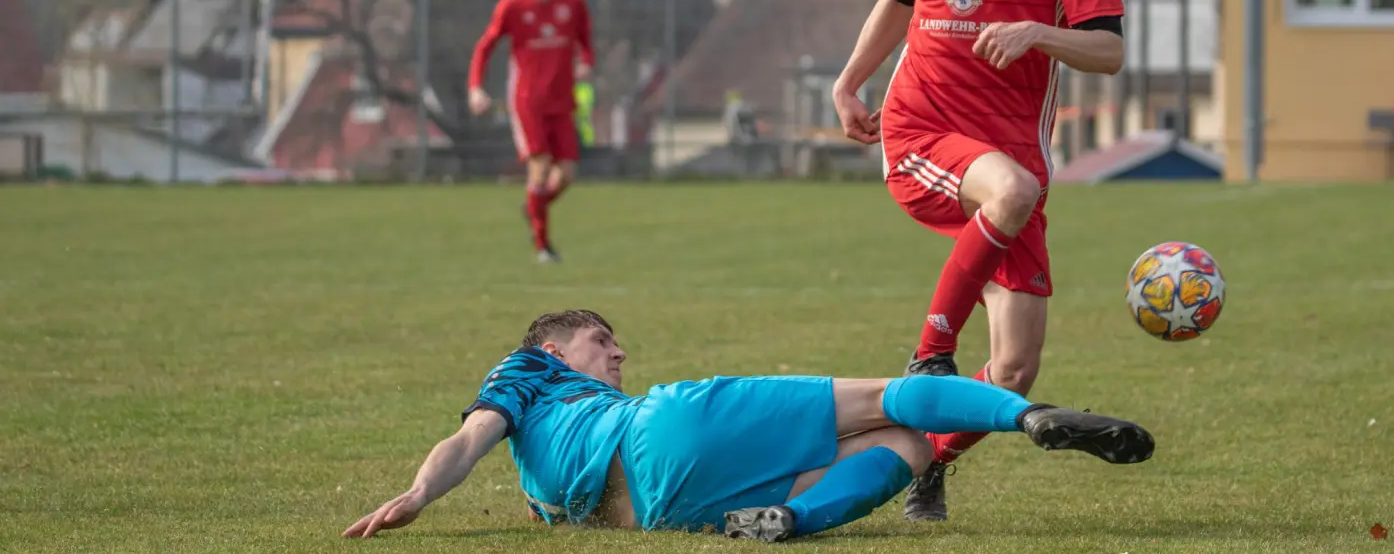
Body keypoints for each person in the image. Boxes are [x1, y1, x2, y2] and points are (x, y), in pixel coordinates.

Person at [831, 0, 1126, 522]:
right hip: (923, 130)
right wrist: (848, 83)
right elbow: (899, 3)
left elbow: (1110, 50)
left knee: (1017, 371)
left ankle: (922, 462)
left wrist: (1039, 33)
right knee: (1015, 191)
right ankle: (930, 354)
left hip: (1004, 152)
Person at [341, 309, 1154, 543]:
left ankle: (790, 522)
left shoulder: (539, 471)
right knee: (890, 399)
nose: (620, 349)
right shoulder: (525, 371)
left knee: (907, 450)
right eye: (601, 340)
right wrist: (418, 492)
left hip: (667, 511)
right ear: (551, 348)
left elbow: (514, 468)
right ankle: (1029, 413)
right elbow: (467, 439)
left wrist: (429, 499)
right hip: (666, 430)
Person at [467, 0, 594, 263]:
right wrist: (476, 87)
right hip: (528, 101)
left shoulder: (572, 2)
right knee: (538, 169)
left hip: (562, 101)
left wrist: (586, 63)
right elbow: (485, 47)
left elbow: (586, 42)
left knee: (566, 175)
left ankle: (533, 206)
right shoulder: (513, 5)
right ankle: (543, 247)